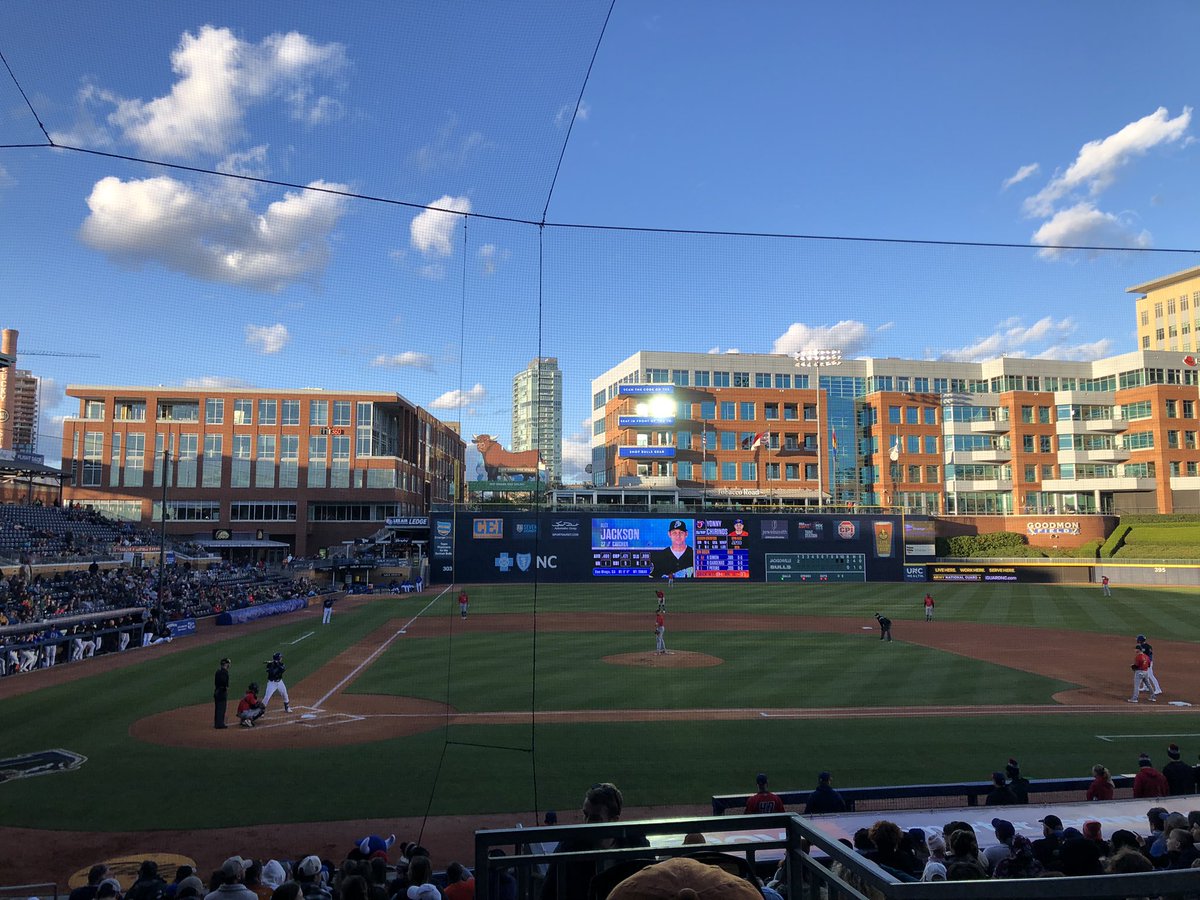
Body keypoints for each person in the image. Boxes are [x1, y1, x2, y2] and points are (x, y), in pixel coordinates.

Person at [539, 782, 648, 900]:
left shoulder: (637, 844)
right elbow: (547, 892)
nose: (587, 823)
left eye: (595, 818)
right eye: (585, 815)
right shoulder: (569, 846)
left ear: (614, 820)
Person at [214, 657, 231, 729]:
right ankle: (220, 724)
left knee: (217, 707)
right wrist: (225, 688)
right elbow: (224, 682)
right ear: (226, 664)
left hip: (217, 691)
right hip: (222, 692)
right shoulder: (225, 672)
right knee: (221, 708)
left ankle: (217, 723)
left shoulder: (218, 672)